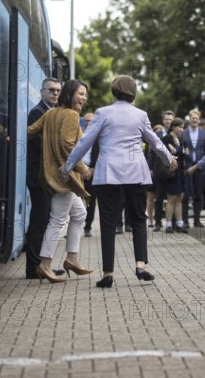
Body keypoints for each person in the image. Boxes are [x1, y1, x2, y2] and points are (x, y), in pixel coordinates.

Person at [62, 75, 176, 288]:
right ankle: (141, 265)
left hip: (108, 174)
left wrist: (68, 166)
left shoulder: (102, 113)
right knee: (139, 219)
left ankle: (108, 273)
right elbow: (155, 141)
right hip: (136, 172)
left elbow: (85, 141)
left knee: (107, 222)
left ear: (114, 91)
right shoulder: (141, 115)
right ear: (133, 92)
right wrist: (169, 159)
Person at [27, 79, 93, 283]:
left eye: (85, 95)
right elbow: (66, 146)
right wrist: (82, 168)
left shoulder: (50, 113)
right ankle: (45, 264)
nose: (83, 98)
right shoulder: (72, 115)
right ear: (70, 94)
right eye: (80, 93)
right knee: (57, 220)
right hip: (65, 178)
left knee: (80, 214)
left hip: (54, 176)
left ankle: (72, 258)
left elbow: (29, 131)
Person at [25, 78, 65, 279]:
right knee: (39, 221)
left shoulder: (53, 112)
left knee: (44, 219)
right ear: (42, 91)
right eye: (51, 90)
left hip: (46, 176)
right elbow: (39, 143)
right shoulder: (37, 113)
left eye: (58, 90)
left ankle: (41, 264)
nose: (55, 93)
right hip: (38, 176)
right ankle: (33, 267)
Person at [158, 118, 188, 233]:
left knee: (179, 197)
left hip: (180, 171)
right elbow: (162, 154)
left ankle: (180, 224)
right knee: (171, 198)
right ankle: (169, 224)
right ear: (173, 127)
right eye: (180, 127)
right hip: (171, 172)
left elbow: (183, 153)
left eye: (182, 127)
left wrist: (186, 153)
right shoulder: (166, 139)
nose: (182, 129)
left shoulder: (180, 139)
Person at [181, 109, 205, 228]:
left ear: (199, 120)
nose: (195, 120)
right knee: (186, 195)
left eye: (197, 118)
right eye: (193, 118)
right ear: (189, 119)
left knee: (198, 194)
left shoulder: (204, 133)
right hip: (186, 167)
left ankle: (197, 220)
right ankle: (185, 220)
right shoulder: (183, 133)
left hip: (199, 167)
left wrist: (202, 165)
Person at [152, 110, 175, 231]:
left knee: (172, 197)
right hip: (159, 170)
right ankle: (157, 222)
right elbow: (152, 152)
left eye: (170, 119)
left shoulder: (176, 134)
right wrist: (151, 168)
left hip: (173, 171)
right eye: (166, 119)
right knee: (159, 197)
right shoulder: (157, 134)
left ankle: (172, 222)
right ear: (163, 120)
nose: (168, 121)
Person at [82, 112, 99, 238]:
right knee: (74, 200)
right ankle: (73, 226)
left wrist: (93, 169)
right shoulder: (78, 135)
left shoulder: (99, 138)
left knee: (91, 201)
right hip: (78, 172)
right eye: (87, 121)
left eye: (91, 121)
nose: (89, 123)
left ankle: (87, 227)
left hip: (93, 173)